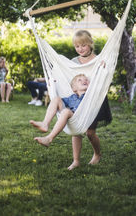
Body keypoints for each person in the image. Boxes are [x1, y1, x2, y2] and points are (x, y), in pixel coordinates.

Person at [30, 30, 112, 170]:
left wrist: (104, 67)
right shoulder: (74, 62)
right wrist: (54, 81)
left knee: (90, 133)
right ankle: (76, 160)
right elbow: (66, 77)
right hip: (77, 98)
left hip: (93, 100)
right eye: (77, 46)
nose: (80, 49)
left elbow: (104, 78)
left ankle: (97, 154)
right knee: (76, 130)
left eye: (83, 45)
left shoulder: (99, 60)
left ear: (90, 44)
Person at [33, 74, 89, 148]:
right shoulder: (72, 98)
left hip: (81, 119)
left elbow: (99, 82)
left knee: (66, 111)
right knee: (56, 99)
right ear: (74, 88)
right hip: (72, 117)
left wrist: (101, 69)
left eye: (86, 79)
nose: (84, 81)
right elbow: (59, 102)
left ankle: (49, 138)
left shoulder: (90, 95)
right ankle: (45, 123)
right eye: (80, 80)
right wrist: (51, 86)